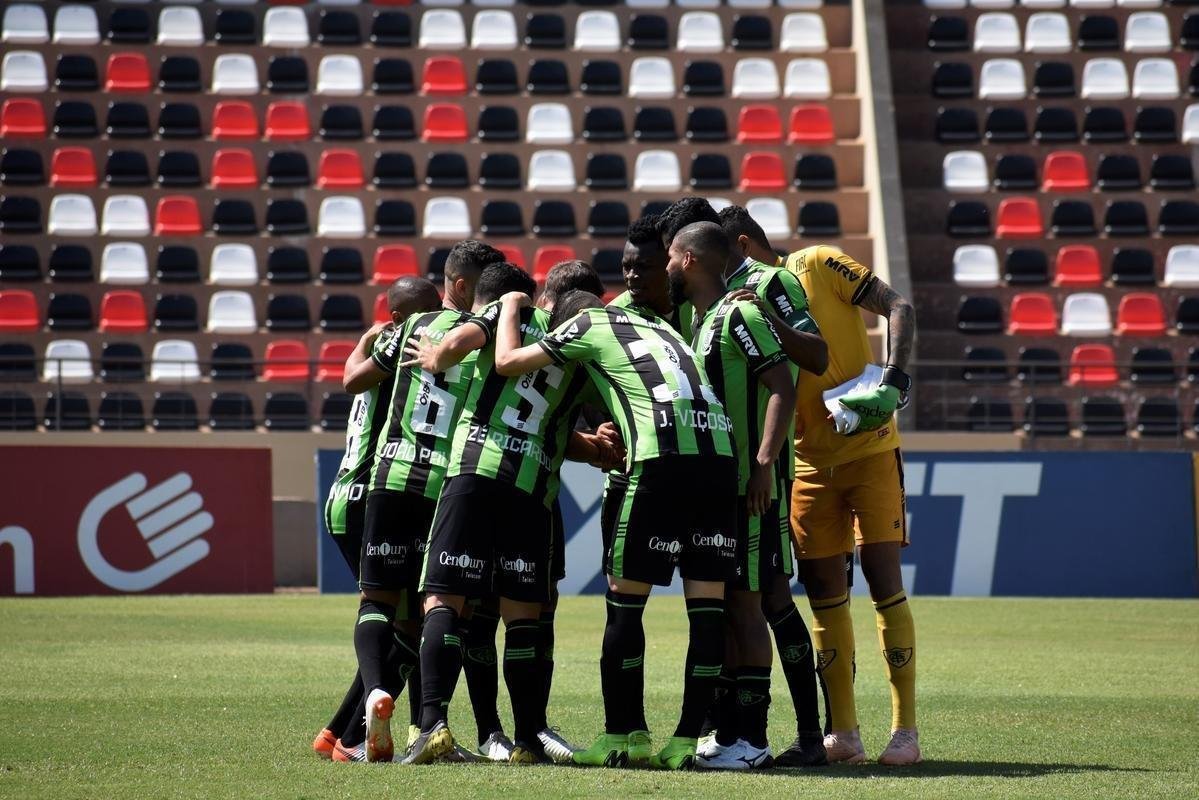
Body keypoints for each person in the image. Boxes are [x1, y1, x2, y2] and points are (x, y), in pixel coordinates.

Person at [492, 287, 739, 772]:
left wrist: (507, 307)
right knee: (708, 609)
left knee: (625, 603)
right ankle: (686, 740)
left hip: (662, 459)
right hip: (721, 460)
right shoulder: (662, 328)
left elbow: (506, 362)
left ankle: (622, 735)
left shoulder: (585, 327)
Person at [720, 211, 921, 766]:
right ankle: (846, 735)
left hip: (871, 448)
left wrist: (894, 382)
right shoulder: (738, 303)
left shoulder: (815, 263)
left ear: (742, 244)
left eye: (728, 258)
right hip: (807, 465)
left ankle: (905, 732)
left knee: (883, 581)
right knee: (825, 598)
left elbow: (898, 305)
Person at [400, 263, 602, 766]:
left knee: (444, 601)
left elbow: (459, 343)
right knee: (523, 619)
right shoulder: (579, 355)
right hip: (532, 490)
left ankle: (432, 724)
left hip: (476, 470)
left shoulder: (511, 316)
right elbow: (555, 427)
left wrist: (436, 354)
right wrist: (598, 447)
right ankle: (529, 737)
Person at [341, 244, 505, 763]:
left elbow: (353, 380)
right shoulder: (484, 339)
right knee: (446, 608)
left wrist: (372, 338)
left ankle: (373, 695)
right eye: (480, 285)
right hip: (446, 487)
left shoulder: (408, 330)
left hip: (390, 476)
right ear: (460, 285)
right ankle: (430, 723)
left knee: (377, 602)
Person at [663, 223, 799, 771]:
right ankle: (730, 734)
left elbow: (783, 386)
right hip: (716, 490)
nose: (666, 265)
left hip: (748, 490)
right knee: (723, 609)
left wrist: (764, 465)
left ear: (690, 259)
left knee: (747, 605)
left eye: (671, 256)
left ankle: (755, 739)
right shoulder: (698, 322)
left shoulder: (739, 314)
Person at [716, 205, 831, 768]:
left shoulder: (772, 282)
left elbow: (816, 354)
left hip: (766, 469)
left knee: (770, 599)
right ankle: (732, 728)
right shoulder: (710, 299)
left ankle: (809, 736)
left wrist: (767, 316)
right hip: (724, 475)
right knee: (741, 601)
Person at [315, 276, 444, 763]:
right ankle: (354, 739)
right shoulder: (409, 346)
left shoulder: (376, 350)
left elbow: (350, 376)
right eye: (428, 307)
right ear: (401, 318)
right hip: (379, 495)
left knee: (387, 617)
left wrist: (363, 340)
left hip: (343, 496)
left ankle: (337, 731)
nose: (437, 315)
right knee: (409, 625)